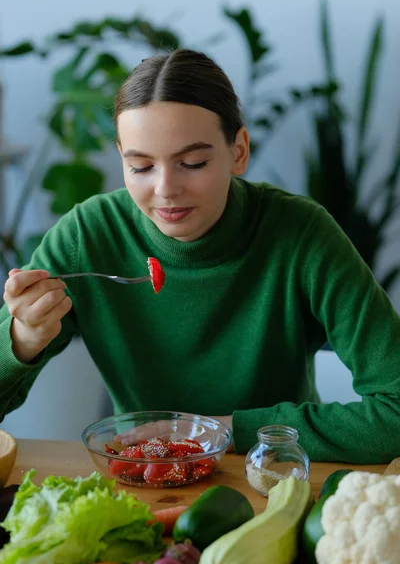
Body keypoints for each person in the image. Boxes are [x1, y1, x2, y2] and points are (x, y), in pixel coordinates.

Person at [1, 48, 399, 464]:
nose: (166, 189)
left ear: (239, 151)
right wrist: (21, 341)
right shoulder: (88, 236)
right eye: (140, 167)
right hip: (139, 479)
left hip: (274, 479)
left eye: (192, 162)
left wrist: (223, 430)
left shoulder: (302, 235)